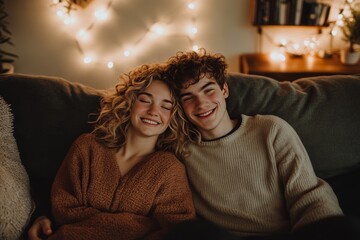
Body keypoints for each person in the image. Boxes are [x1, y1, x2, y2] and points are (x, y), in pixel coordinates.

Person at [163, 48, 360, 239]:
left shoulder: (271, 130)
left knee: (344, 228)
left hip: (289, 235)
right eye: (188, 97)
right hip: (228, 238)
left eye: (208, 90)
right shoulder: (180, 149)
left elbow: (307, 194)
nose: (201, 103)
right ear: (180, 106)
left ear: (224, 90)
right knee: (188, 233)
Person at [28, 63, 196, 240]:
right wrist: (145, 225)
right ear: (130, 103)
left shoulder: (170, 169)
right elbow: (63, 209)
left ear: (173, 116)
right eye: (145, 100)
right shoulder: (87, 147)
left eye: (166, 106)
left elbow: (177, 230)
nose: (154, 111)